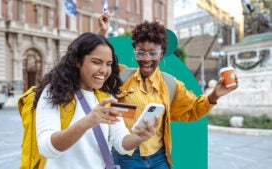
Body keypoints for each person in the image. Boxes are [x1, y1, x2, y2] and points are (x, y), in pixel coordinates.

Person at [97, 13, 238, 169]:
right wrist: (101, 33)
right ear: (134, 52)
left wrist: (214, 95)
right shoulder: (121, 75)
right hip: (127, 157)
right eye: (140, 52)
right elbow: (96, 63)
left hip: (159, 158)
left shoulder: (171, 84)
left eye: (153, 53)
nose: (146, 58)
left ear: (162, 53)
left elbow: (192, 108)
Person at [32, 32, 158, 169]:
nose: (104, 70)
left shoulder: (107, 96)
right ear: (78, 61)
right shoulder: (54, 91)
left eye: (108, 64)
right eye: (96, 62)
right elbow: (46, 148)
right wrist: (88, 121)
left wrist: (140, 137)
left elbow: (120, 142)